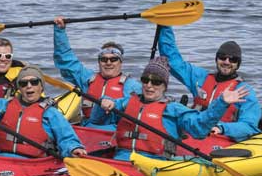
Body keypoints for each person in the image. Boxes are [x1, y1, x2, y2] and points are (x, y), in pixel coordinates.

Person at [96, 56, 249, 161]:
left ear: (164, 86)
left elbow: (200, 127)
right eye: (145, 80)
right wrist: (104, 102)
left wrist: (221, 102)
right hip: (121, 159)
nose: (149, 85)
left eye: (156, 82)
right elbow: (97, 120)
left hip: (154, 164)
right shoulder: (127, 102)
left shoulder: (174, 109)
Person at [0, 66, 88, 158]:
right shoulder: (3, 105)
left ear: (41, 87)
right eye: (23, 83)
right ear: (19, 88)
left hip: (31, 164)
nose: (29, 86)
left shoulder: (51, 113)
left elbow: (66, 138)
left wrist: (73, 149)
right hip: (1, 160)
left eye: (34, 82)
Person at [156, 25, 262, 142]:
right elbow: (173, 61)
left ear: (238, 64)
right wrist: (165, 27)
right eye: (222, 57)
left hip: (221, 138)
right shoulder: (201, 77)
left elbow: (249, 126)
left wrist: (221, 128)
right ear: (216, 59)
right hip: (193, 133)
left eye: (232, 59)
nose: (226, 62)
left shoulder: (244, 91)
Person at [52, 15, 142, 125]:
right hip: (87, 127)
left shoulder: (132, 86)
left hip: (114, 131)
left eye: (113, 59)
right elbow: (65, 60)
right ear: (99, 62)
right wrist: (60, 31)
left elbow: (142, 106)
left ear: (120, 62)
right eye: (104, 59)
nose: (108, 63)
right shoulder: (87, 78)